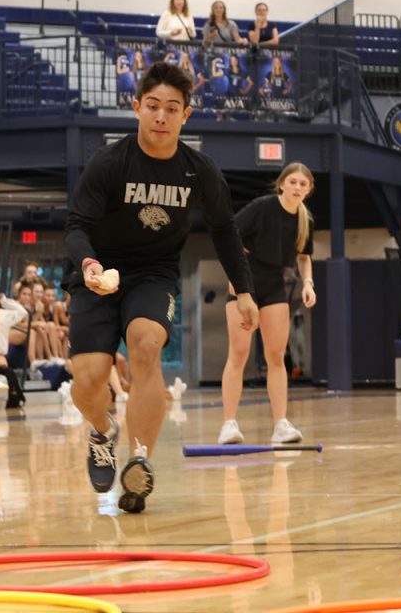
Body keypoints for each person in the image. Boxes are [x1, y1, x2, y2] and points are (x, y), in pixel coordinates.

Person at [64, 61, 259, 514]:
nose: (161, 116)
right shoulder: (110, 162)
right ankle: (102, 430)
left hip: (153, 274)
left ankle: (139, 461)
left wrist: (244, 290)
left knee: (146, 344)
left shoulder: (199, 170)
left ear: (185, 115)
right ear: (136, 107)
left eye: (172, 109)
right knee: (88, 380)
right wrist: (89, 264)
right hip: (96, 273)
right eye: (153, 106)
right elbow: (76, 225)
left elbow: (225, 229)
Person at [218, 163, 317, 445]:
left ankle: (281, 424)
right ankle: (229, 424)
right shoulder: (262, 207)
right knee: (238, 353)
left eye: (303, 184)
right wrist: (234, 278)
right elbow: (229, 234)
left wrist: (308, 283)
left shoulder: (304, 220)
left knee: (276, 357)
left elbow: (304, 257)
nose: (297, 187)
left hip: (274, 285)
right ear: (282, 184)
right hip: (245, 284)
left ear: (309, 190)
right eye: (293, 182)